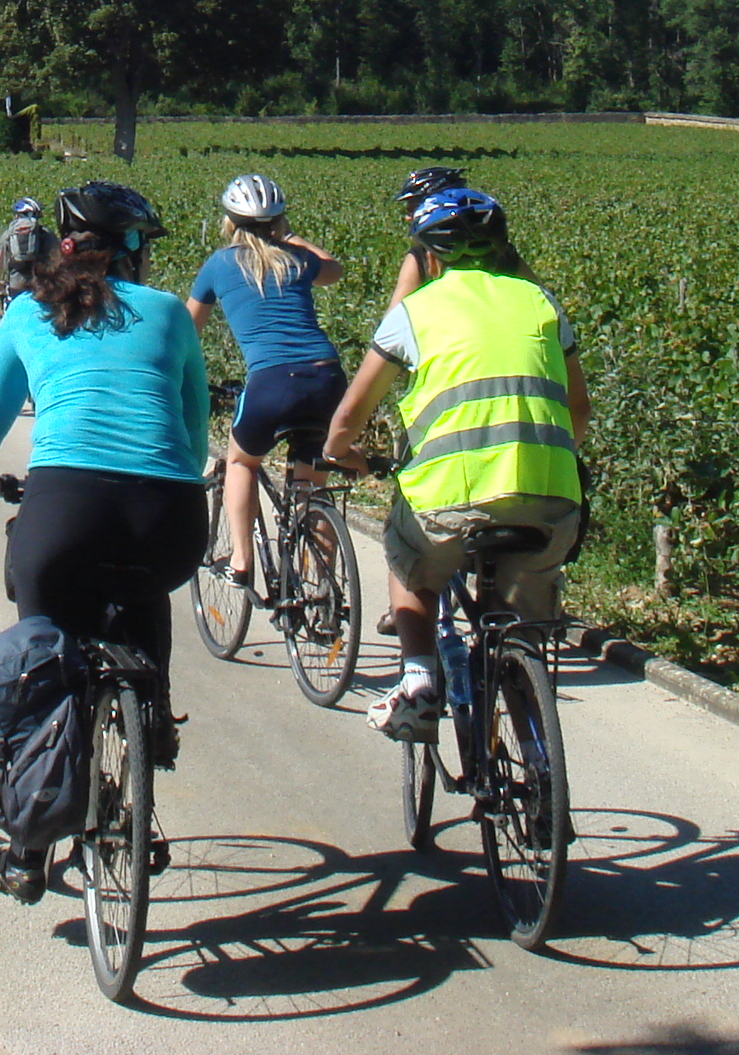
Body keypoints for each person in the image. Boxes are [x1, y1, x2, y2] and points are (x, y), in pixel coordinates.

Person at [0, 181, 209, 770]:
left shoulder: (28, 311)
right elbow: (194, 439)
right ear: (131, 251)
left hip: (64, 511)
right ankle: (155, 707)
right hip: (170, 520)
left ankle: (23, 847)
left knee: (40, 662)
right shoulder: (170, 313)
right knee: (142, 586)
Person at [324, 187, 588, 741]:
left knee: (406, 567)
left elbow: (351, 414)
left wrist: (339, 453)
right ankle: (536, 758)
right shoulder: (542, 302)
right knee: (520, 626)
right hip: (551, 498)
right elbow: (579, 414)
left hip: (448, 500)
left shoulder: (414, 313)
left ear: (430, 257)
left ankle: (417, 679)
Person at [184, 173, 345, 588]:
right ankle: (324, 593)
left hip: (273, 382)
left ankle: (241, 561)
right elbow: (335, 271)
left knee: (240, 461)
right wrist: (291, 237)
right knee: (313, 484)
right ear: (278, 220)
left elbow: (186, 331)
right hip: (327, 377)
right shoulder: (298, 259)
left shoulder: (219, 265)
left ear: (229, 222)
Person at [385, 165, 470, 307]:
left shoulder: (420, 258)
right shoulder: (502, 252)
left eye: (412, 209)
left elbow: (395, 317)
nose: (407, 217)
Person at [0, 198, 50, 302]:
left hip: (16, 285)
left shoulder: (9, 234)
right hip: (41, 286)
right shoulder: (47, 234)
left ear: (17, 215)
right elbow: (58, 260)